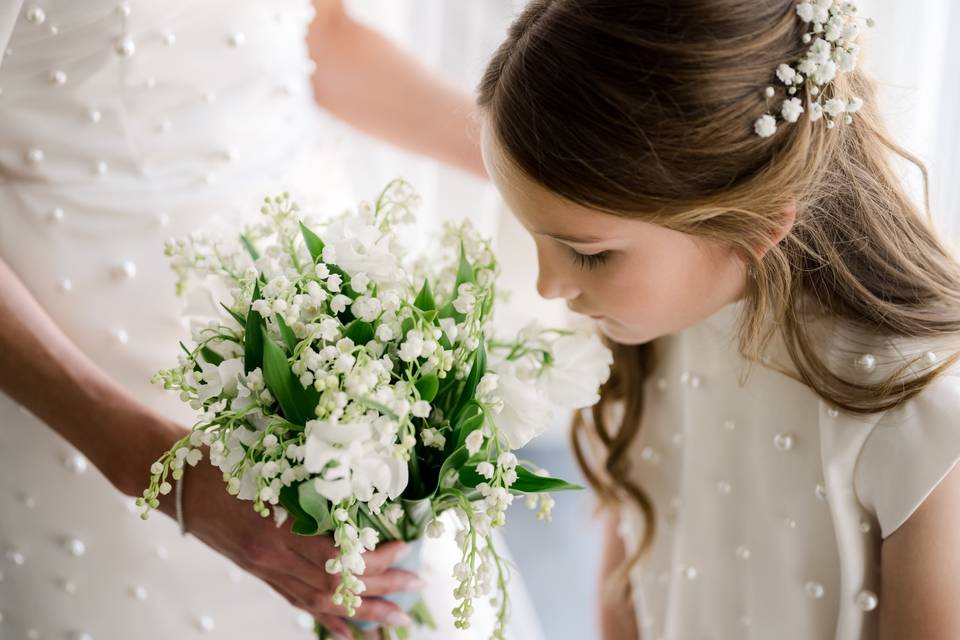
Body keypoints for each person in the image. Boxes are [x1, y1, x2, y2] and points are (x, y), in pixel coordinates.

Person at [0, 2, 546, 639]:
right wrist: (158, 469)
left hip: (329, 307)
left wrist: (542, 160)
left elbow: (318, 34)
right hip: (91, 365)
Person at [475, 1, 960, 638]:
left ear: (755, 224)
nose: (549, 285)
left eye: (589, 253)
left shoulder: (918, 416)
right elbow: (624, 610)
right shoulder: (643, 345)